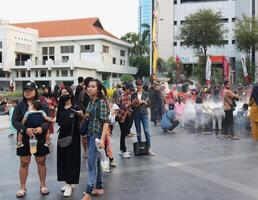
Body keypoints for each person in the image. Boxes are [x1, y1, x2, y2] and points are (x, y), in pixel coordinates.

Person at [12, 82, 50, 198]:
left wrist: (41, 128)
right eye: (26, 90)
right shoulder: (20, 105)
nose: (28, 92)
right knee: (24, 162)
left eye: (30, 90)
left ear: (35, 91)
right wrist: (24, 130)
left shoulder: (43, 104)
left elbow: (47, 121)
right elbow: (15, 121)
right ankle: (22, 187)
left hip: (40, 137)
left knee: (41, 161)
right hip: (24, 137)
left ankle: (43, 185)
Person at [82, 79, 110, 200]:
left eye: (93, 86)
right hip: (90, 134)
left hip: (96, 135)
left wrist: (102, 139)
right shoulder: (91, 101)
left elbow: (105, 122)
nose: (90, 88)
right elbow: (91, 117)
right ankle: (98, 187)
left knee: (91, 163)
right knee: (97, 162)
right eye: (88, 86)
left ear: (98, 89)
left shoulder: (101, 102)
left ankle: (88, 192)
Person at [56, 86, 83, 197]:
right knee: (63, 159)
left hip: (73, 136)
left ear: (71, 94)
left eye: (66, 92)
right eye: (62, 93)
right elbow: (58, 121)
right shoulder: (61, 107)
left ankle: (69, 183)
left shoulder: (76, 106)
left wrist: (81, 115)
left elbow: (85, 117)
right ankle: (67, 182)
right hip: (62, 135)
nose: (64, 94)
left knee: (71, 159)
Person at [131, 80, 154, 156]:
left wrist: (143, 102)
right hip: (136, 114)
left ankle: (149, 149)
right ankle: (140, 148)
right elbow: (132, 105)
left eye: (140, 84)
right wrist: (136, 103)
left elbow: (149, 104)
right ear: (136, 85)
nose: (139, 86)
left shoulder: (146, 94)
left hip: (144, 114)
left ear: (142, 85)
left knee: (146, 131)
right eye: (137, 85)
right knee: (138, 132)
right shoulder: (133, 94)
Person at [116, 83, 135, 158]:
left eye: (132, 90)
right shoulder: (124, 95)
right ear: (126, 89)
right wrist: (132, 103)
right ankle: (124, 151)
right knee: (124, 133)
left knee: (123, 133)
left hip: (125, 116)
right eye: (130, 90)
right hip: (122, 116)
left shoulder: (129, 95)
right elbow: (124, 106)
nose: (131, 91)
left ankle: (121, 149)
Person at [79, 77, 94, 158]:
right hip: (84, 117)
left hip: (91, 117)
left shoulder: (93, 93)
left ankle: (90, 150)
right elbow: (80, 104)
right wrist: (86, 113)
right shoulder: (83, 93)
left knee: (91, 134)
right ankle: (85, 151)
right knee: (84, 135)